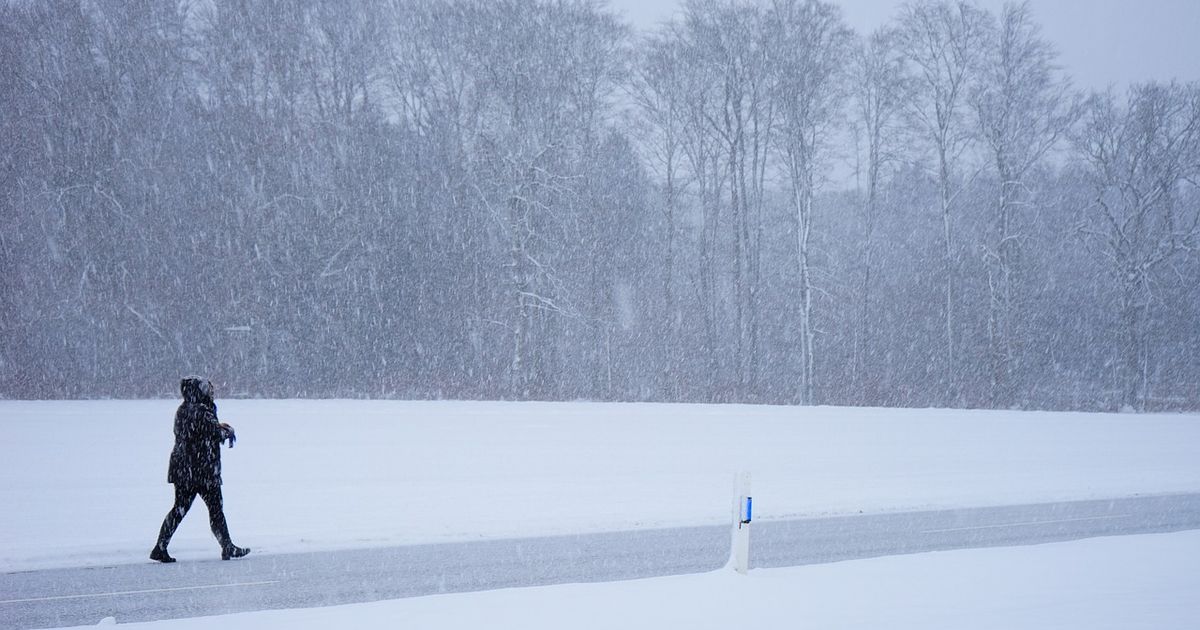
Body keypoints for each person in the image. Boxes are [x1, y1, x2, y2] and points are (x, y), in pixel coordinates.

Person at [150, 376, 250, 562]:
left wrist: (216, 427)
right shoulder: (202, 411)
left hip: (184, 468)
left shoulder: (183, 409)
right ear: (199, 391)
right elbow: (213, 433)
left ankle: (161, 546)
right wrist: (227, 431)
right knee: (215, 509)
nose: (210, 391)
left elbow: (198, 432)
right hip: (201, 470)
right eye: (206, 388)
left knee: (180, 509)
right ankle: (227, 546)